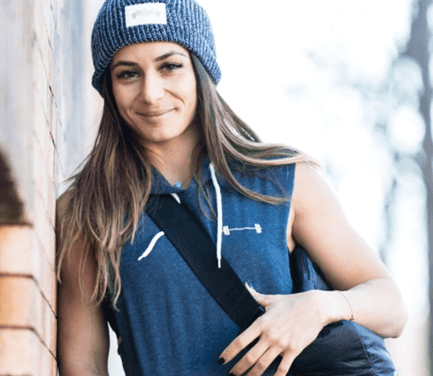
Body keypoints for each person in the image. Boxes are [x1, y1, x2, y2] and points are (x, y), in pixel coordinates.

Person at [56, 1, 407, 375]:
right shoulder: (86, 212)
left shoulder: (282, 180)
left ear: (200, 70)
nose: (151, 93)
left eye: (170, 66)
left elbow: (391, 306)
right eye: (128, 74)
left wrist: (319, 307)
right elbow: (84, 363)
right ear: (108, 86)